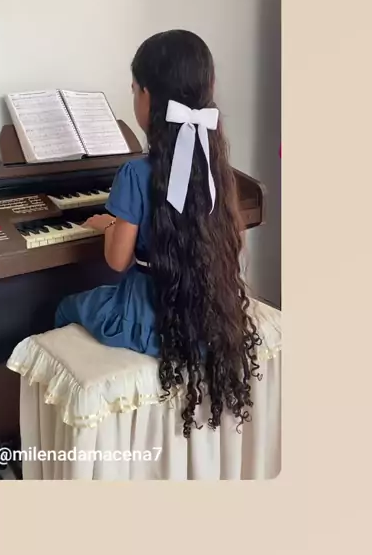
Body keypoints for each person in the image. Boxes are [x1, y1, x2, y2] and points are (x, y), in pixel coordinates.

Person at [55, 29, 262, 437]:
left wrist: (109, 224)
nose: (134, 98)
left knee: (64, 307)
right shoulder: (215, 167)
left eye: (134, 90)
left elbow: (117, 260)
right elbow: (230, 239)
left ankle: (86, 434)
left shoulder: (135, 172)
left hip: (146, 318)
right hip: (207, 313)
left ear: (147, 96)